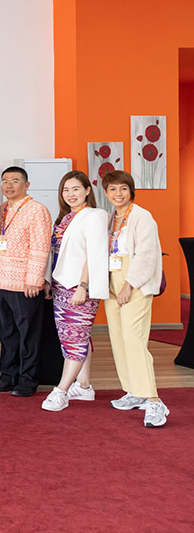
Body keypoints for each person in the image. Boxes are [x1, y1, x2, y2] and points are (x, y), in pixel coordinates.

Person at [102, 170, 169, 427]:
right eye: (112, 189)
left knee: (134, 339)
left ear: (131, 191)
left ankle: (153, 400)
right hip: (112, 278)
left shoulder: (142, 216)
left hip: (134, 281)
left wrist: (128, 285)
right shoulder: (110, 218)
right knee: (118, 339)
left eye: (123, 189)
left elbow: (147, 255)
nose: (118, 194)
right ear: (106, 193)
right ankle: (134, 390)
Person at [41, 171, 109, 412]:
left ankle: (61, 391)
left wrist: (83, 286)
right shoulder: (65, 219)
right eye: (66, 190)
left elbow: (95, 253)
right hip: (61, 286)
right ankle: (84, 385)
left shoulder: (95, 216)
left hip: (79, 288)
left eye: (76, 189)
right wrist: (49, 281)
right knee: (78, 337)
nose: (70, 194)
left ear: (88, 190)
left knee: (74, 339)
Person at [0, 166, 51, 398]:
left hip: (24, 284)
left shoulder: (37, 210)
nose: (9, 185)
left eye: (15, 181)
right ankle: (7, 376)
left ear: (27, 184)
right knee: (6, 334)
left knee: (28, 335)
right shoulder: (0, 209)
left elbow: (41, 247)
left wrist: (34, 279)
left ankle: (28, 379)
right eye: (5, 181)